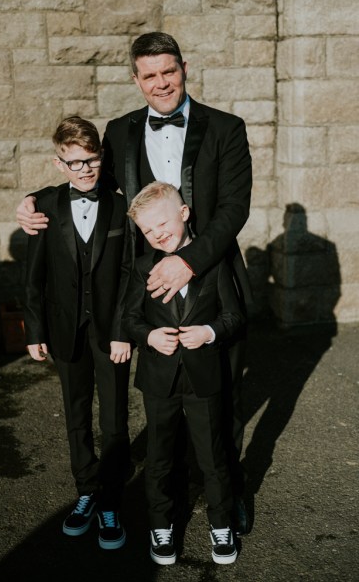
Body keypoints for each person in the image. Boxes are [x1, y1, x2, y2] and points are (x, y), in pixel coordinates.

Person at [16, 32, 253, 534]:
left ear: (184, 68)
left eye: (169, 71)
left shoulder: (226, 128)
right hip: (146, 285)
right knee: (163, 394)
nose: (161, 83)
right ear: (136, 79)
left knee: (221, 392)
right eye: (149, 75)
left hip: (211, 279)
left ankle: (227, 492)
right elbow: (88, 178)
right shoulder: (119, 131)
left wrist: (187, 261)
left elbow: (235, 210)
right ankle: (163, 495)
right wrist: (32, 199)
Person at [23, 116, 131, 549]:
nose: (84, 170)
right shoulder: (45, 205)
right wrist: (34, 330)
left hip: (112, 333)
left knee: (115, 419)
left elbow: (129, 275)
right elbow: (33, 276)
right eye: (74, 163)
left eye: (91, 160)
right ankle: (86, 491)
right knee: (76, 415)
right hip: (65, 328)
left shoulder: (122, 206)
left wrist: (125, 331)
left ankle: (111, 500)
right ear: (58, 163)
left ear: (101, 158)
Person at [123, 182, 245, 565]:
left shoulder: (211, 262)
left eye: (163, 222)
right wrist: (149, 336)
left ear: (185, 213)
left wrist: (209, 332)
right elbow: (130, 318)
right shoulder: (143, 267)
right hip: (159, 380)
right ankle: (161, 525)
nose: (158, 233)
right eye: (148, 230)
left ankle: (221, 524)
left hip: (204, 378)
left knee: (212, 456)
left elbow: (234, 315)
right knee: (159, 456)